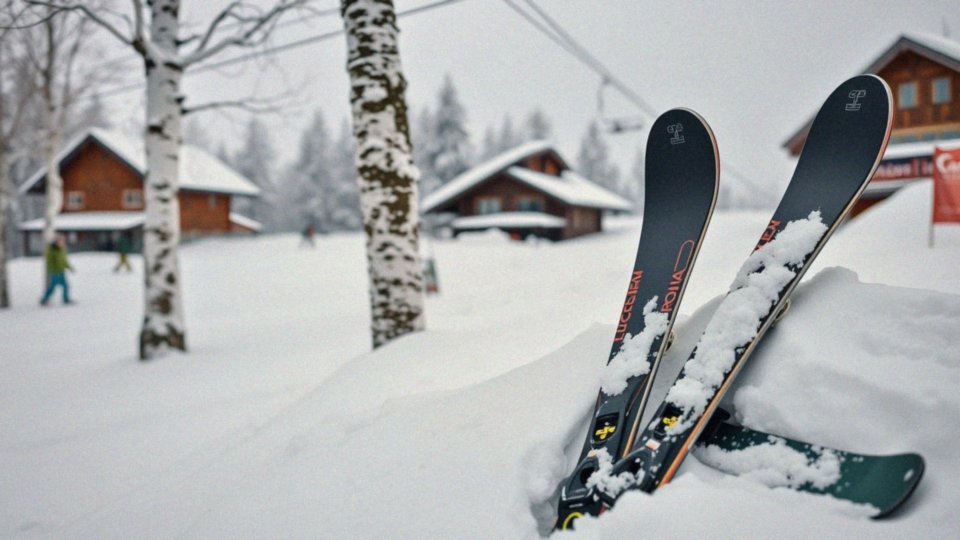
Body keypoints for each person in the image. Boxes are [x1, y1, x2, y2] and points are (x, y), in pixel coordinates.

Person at [41, 234, 74, 306]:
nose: (62, 243)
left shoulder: (62, 250)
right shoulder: (52, 250)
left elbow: (64, 261)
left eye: (63, 242)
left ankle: (66, 299)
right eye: (60, 242)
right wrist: (52, 270)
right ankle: (44, 299)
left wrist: (69, 267)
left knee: (66, 286)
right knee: (52, 287)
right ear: (56, 242)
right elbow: (49, 262)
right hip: (55, 272)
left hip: (61, 271)